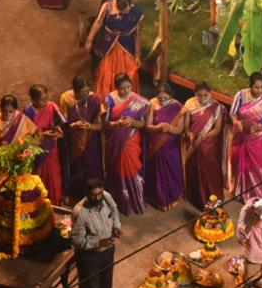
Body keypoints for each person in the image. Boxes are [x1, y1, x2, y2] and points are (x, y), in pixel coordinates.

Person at [71, 180, 121, 288]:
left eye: (99, 193)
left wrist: (116, 226)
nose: (97, 197)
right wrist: (98, 243)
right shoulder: (80, 212)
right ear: (86, 194)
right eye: (93, 195)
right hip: (89, 257)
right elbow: (77, 241)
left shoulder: (106, 197)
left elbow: (114, 210)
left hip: (107, 252)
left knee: (106, 287)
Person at [103, 73, 149, 215]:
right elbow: (105, 123)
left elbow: (144, 122)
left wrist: (134, 123)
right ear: (117, 88)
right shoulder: (110, 99)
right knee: (118, 169)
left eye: (129, 86)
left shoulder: (138, 100)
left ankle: (136, 200)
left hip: (132, 140)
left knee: (133, 167)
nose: (127, 91)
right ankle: (120, 202)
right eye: (123, 88)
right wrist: (117, 123)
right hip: (115, 141)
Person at [229, 72, 262, 204]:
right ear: (250, 86)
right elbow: (233, 113)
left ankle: (260, 195)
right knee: (239, 163)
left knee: (259, 167)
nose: (260, 90)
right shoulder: (241, 95)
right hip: (241, 135)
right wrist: (236, 122)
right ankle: (241, 193)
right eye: (256, 87)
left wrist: (259, 128)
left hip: (258, 139)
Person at [86, 0, 143, 97]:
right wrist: (89, 39)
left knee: (131, 70)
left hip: (126, 46)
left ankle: (128, 98)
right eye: (123, 11)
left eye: (127, 10)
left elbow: (137, 34)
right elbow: (98, 22)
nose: (126, 13)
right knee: (107, 71)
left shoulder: (136, 13)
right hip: (109, 44)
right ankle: (107, 97)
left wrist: (138, 55)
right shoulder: (108, 5)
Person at [24, 84, 69, 206]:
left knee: (54, 178)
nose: (45, 102)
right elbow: (26, 135)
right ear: (33, 100)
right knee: (39, 178)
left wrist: (58, 129)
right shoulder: (28, 112)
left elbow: (61, 123)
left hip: (52, 149)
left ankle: (55, 204)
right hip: (37, 151)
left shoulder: (51, 106)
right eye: (42, 100)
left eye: (46, 98)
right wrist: (43, 135)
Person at [144, 81, 185, 211]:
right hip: (155, 144)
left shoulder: (178, 107)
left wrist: (169, 128)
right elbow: (147, 125)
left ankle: (172, 196)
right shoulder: (152, 103)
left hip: (171, 147)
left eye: (165, 98)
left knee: (171, 171)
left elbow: (180, 129)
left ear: (171, 95)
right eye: (160, 98)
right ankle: (156, 198)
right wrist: (156, 128)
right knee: (155, 173)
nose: (162, 101)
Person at [185, 81, 226, 211]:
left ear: (210, 93)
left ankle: (212, 196)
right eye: (199, 95)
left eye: (205, 95)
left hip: (209, 144)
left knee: (209, 169)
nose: (202, 98)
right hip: (193, 141)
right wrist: (188, 133)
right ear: (195, 93)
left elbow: (217, 129)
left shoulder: (217, 107)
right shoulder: (190, 104)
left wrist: (205, 136)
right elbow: (186, 123)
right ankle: (195, 196)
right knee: (193, 168)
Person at [65, 76, 105, 201]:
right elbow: (63, 124)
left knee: (92, 168)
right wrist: (73, 125)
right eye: (82, 92)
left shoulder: (95, 100)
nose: (86, 94)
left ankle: (96, 195)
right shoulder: (66, 99)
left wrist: (89, 126)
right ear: (75, 91)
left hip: (91, 142)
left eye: (88, 90)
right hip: (74, 142)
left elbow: (100, 126)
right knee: (78, 170)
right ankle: (79, 196)